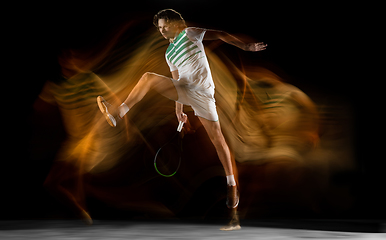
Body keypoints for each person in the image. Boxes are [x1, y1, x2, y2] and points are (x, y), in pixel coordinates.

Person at [97, 9, 267, 230]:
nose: (161, 30)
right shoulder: (168, 53)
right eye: (158, 28)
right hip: (184, 89)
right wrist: (179, 110)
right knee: (148, 77)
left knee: (218, 141)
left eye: (164, 25)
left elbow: (222, 34)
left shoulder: (190, 33)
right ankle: (118, 113)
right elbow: (176, 78)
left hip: (203, 93)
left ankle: (232, 187)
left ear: (175, 23)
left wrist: (245, 46)